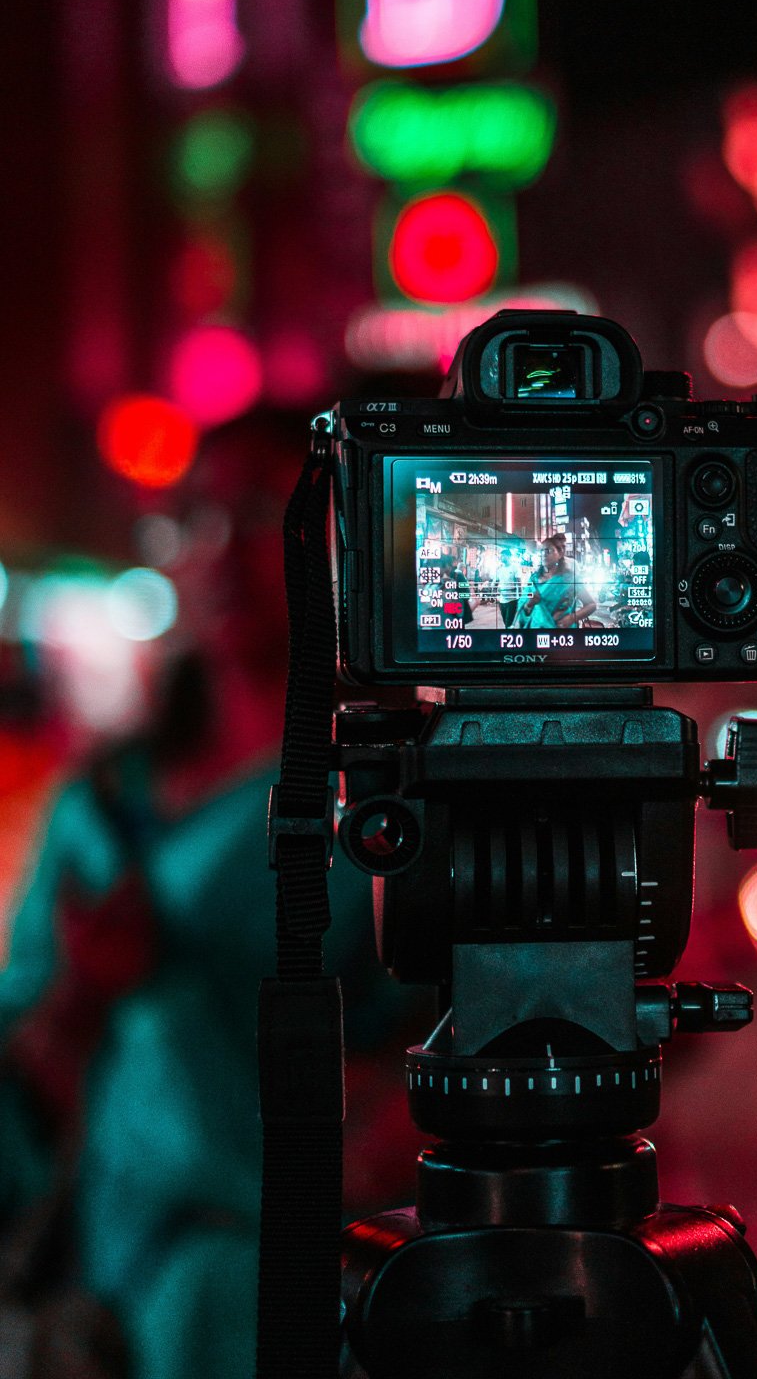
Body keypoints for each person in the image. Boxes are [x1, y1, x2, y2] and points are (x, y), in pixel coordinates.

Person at [0, 410, 416, 1379]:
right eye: (197, 520)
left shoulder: (387, 797)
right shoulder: (102, 802)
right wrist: (84, 996)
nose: (228, 552)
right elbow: (27, 1032)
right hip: (116, 1265)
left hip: (307, 1263)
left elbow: (440, 1032)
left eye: (269, 515)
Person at [516, 533, 597, 630]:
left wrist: (572, 618)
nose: (544, 554)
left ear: (560, 554)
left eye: (548, 550)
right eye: (541, 551)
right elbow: (523, 609)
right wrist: (529, 604)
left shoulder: (570, 579)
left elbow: (591, 604)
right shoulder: (533, 580)